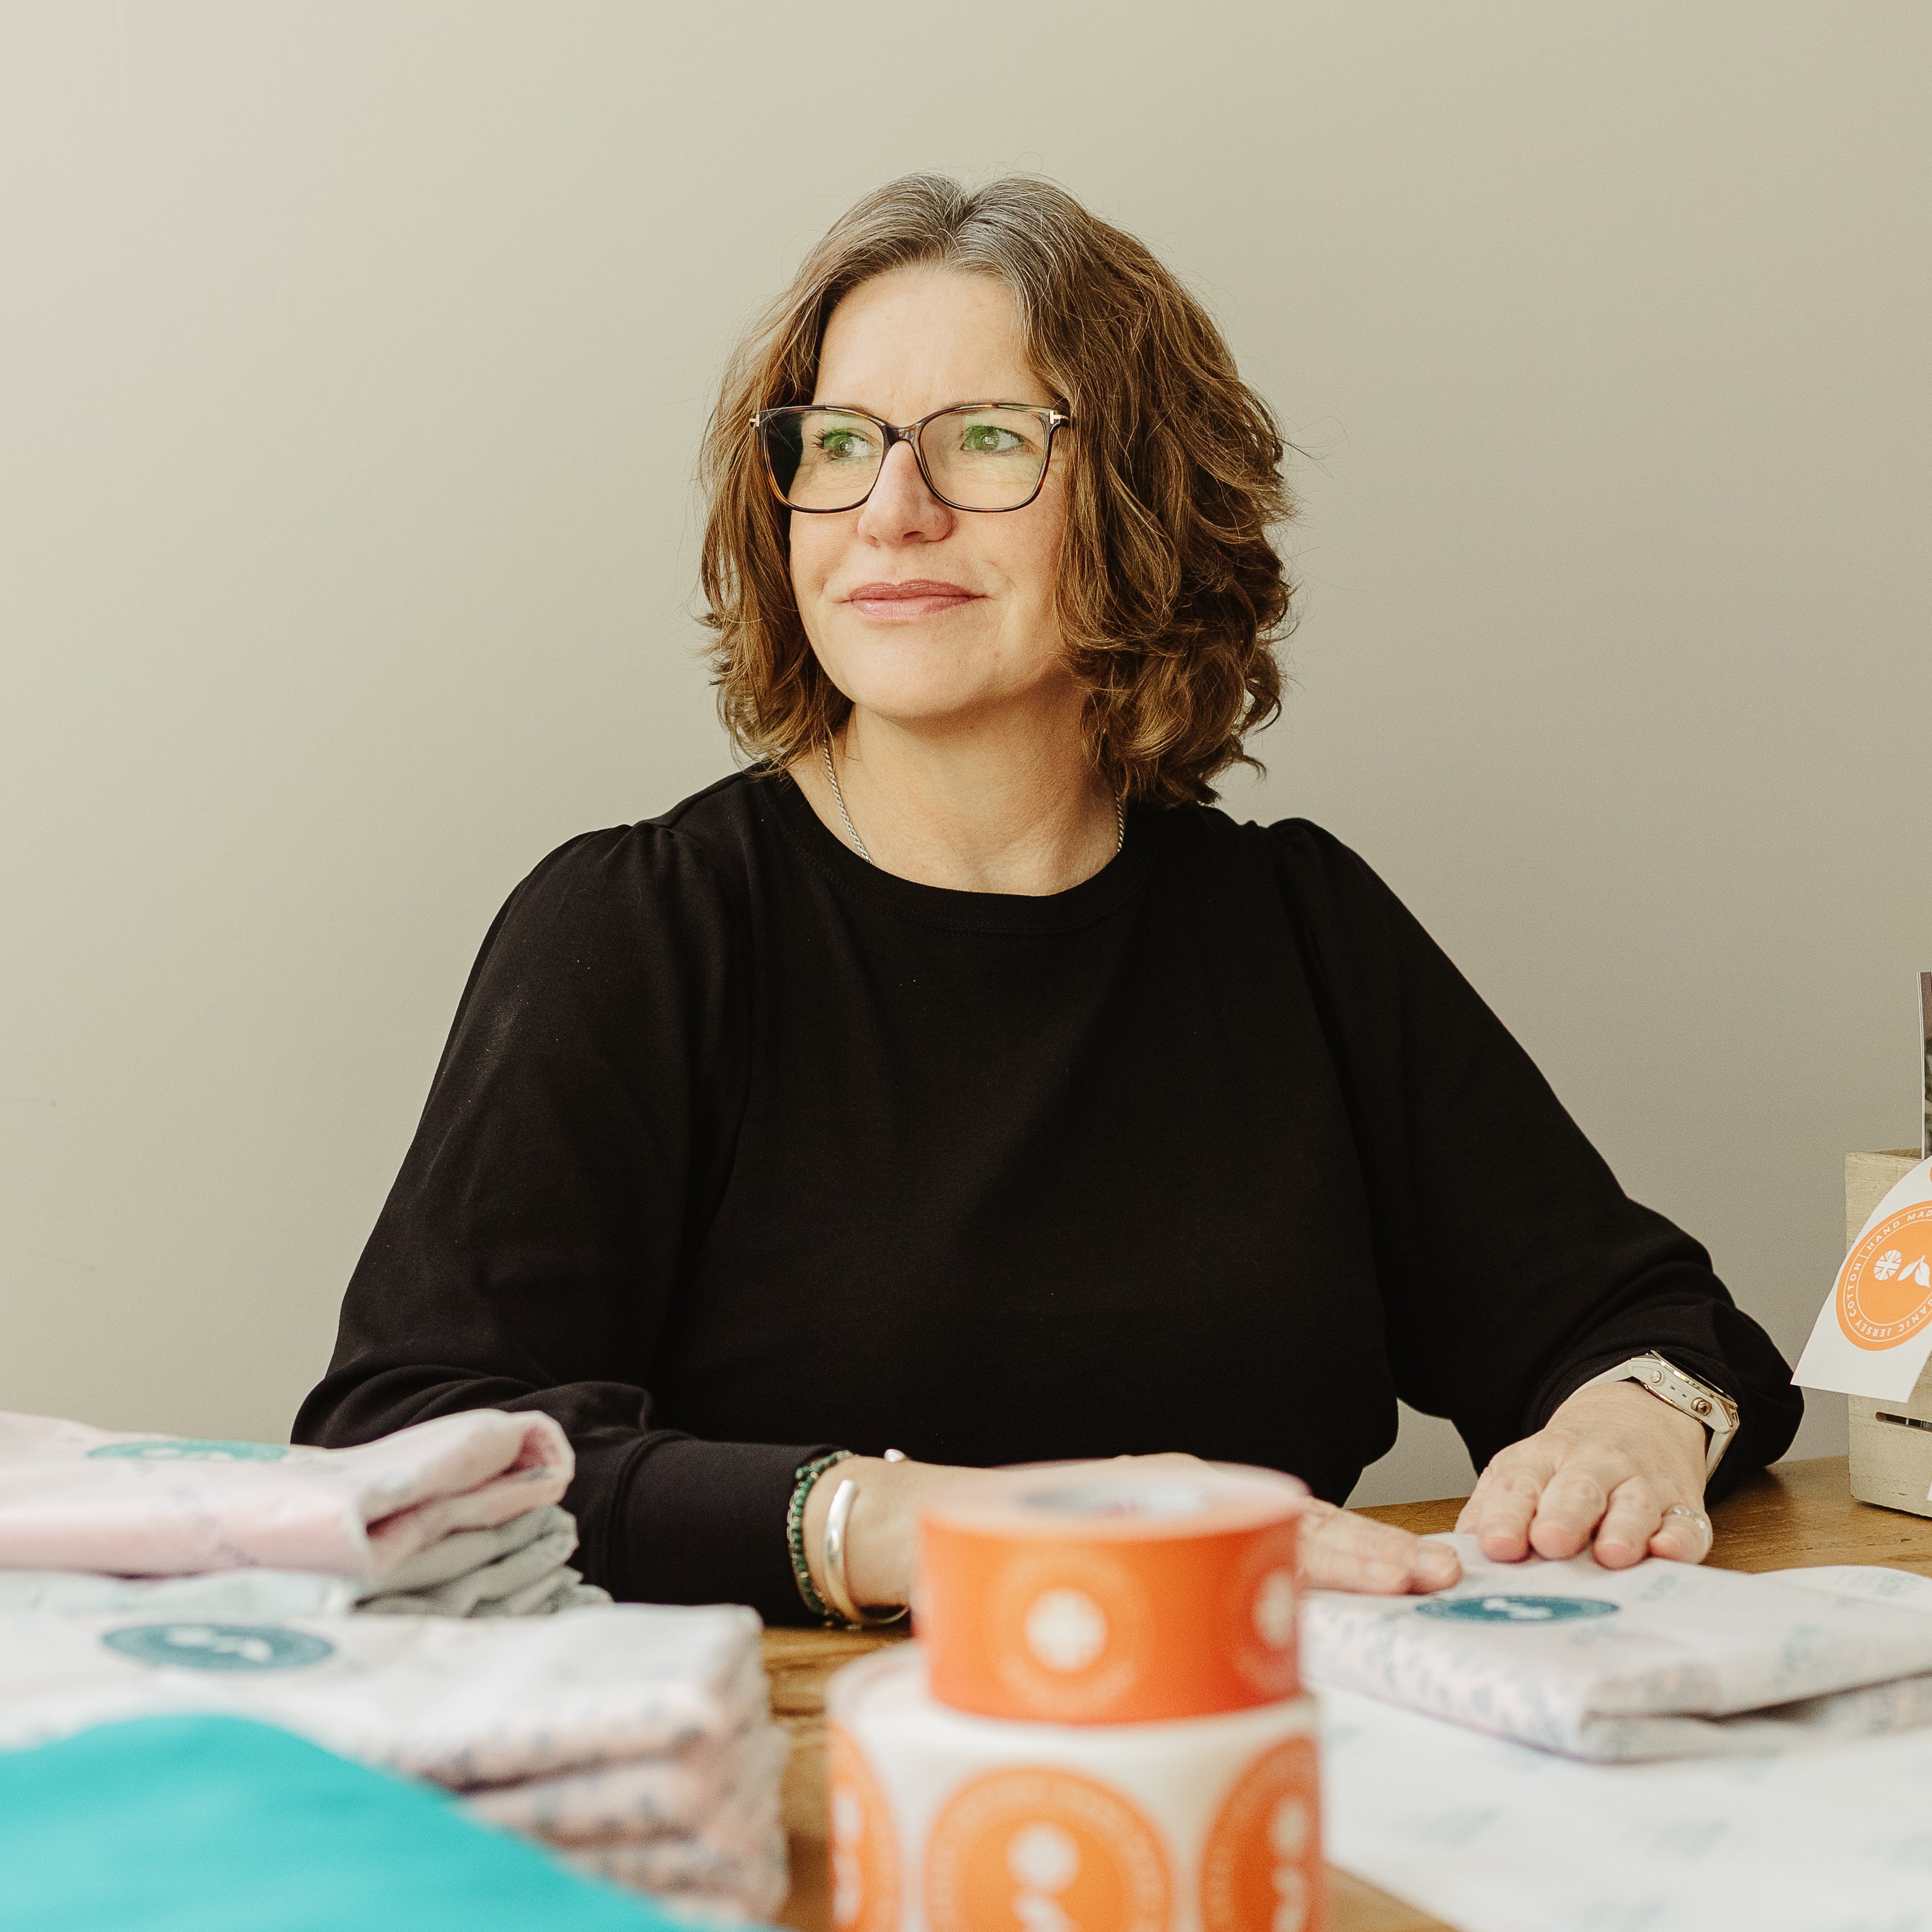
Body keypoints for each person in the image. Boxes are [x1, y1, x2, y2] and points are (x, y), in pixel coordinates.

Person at [296, 174, 1800, 1627]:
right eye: (834, 443)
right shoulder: (639, 930)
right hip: (806, 1795)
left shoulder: (1297, 927)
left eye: (983, 439)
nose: (889, 509)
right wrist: (951, 1526)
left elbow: (1648, 1321)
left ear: (1143, 499)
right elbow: (410, 1450)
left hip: (1269, 1759)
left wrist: (1635, 1425)